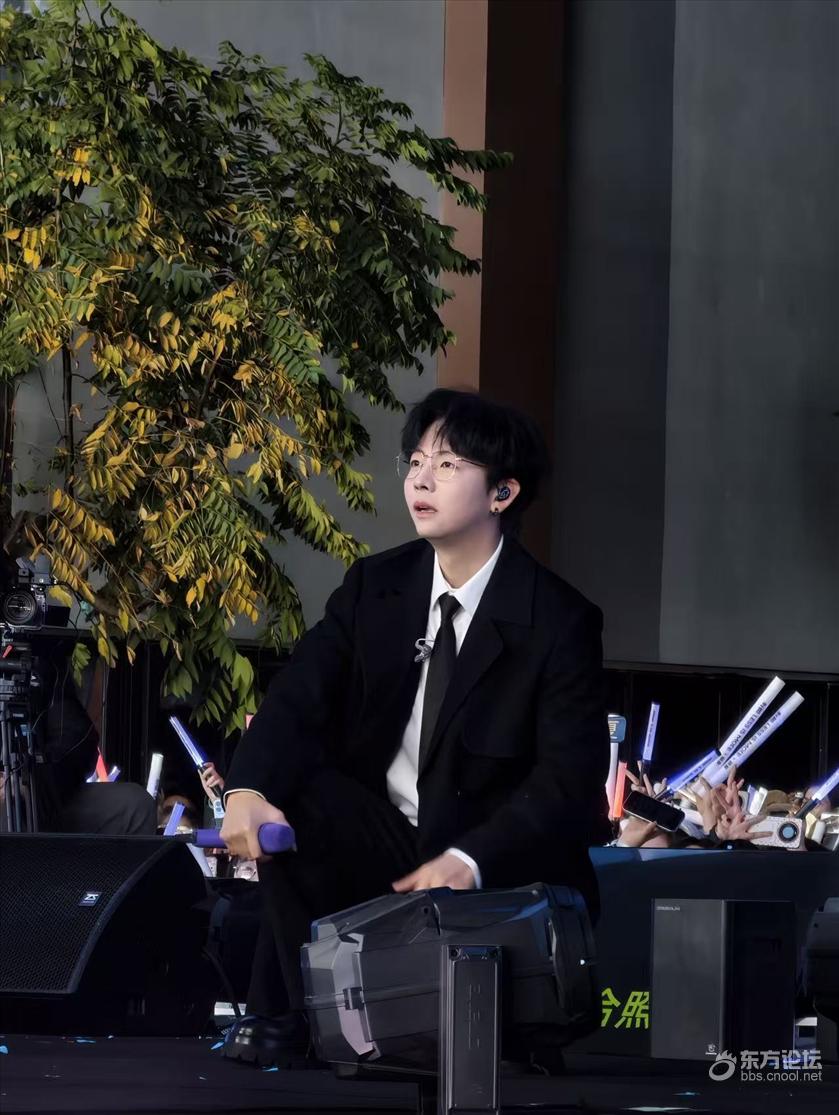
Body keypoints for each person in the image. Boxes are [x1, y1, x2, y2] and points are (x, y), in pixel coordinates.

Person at [219, 388, 610, 1065]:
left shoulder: (558, 620)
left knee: (483, 1037)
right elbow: (297, 698)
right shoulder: (375, 587)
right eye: (416, 461)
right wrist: (246, 790)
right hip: (390, 848)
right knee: (298, 798)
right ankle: (293, 1014)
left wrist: (470, 859)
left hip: (495, 869)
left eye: (448, 464)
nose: (420, 480)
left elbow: (568, 782)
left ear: (502, 493)